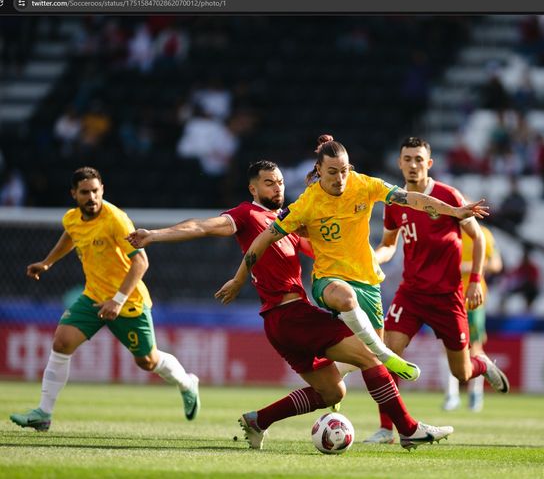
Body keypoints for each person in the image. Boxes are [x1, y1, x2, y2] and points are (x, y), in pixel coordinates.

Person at [127, 160, 454, 450]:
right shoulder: (247, 214)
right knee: (371, 356)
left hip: (282, 324)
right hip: (291, 314)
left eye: (281, 181)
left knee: (333, 393)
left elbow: (325, 248)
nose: (277, 187)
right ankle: (408, 429)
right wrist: (154, 236)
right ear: (253, 187)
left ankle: (259, 420)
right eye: (269, 182)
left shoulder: (290, 222)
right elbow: (200, 226)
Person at [215, 135, 488, 387]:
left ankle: (352, 390)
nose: (340, 178)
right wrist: (240, 279)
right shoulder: (307, 204)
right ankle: (385, 387)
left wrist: (452, 210)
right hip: (329, 281)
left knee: (378, 362)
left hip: (367, 281)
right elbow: (263, 239)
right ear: (319, 171)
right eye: (333, 172)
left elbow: (411, 200)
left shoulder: (365, 185)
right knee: (354, 311)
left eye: (344, 171)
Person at [10, 167, 199, 432]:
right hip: (93, 296)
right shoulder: (72, 218)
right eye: (85, 192)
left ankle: (187, 383)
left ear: (102, 191)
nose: (91, 198)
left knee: (147, 361)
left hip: (128, 300)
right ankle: (43, 413)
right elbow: (71, 235)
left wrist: (118, 300)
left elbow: (141, 262)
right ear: (74, 194)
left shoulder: (116, 220)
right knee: (62, 342)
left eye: (95, 192)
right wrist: (47, 262)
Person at [363, 137, 510, 443]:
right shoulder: (395, 200)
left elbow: (478, 238)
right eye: (408, 159)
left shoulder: (447, 196)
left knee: (461, 373)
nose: (413, 164)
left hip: (447, 297)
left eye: (419, 159)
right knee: (388, 355)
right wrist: (373, 261)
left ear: (428, 163)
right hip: (411, 293)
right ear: (400, 163)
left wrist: (473, 282)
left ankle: (482, 365)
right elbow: (389, 245)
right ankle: (386, 429)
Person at [443, 224, 503, 412]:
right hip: (450, 298)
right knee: (447, 347)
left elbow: (496, 264)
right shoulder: (449, 234)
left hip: (474, 300)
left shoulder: (483, 234)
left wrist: (471, 266)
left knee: (475, 346)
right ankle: (451, 395)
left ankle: (475, 395)